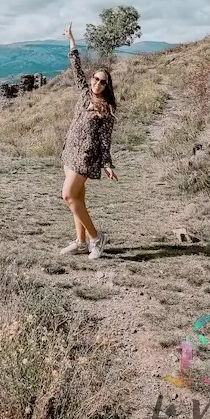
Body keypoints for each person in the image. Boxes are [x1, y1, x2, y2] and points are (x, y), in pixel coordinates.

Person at [60, 22, 118, 259]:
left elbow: (105, 141)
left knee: (68, 196)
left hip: (86, 158)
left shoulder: (107, 109)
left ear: (107, 85)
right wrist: (72, 41)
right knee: (78, 199)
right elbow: (76, 69)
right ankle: (81, 242)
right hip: (70, 152)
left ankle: (97, 237)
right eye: (95, 78)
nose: (96, 83)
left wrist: (107, 164)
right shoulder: (85, 94)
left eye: (102, 81)